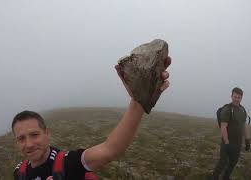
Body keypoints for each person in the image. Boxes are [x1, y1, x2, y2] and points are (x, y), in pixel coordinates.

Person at [12, 57, 171, 180]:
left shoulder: (69, 163)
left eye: (34, 135)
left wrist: (138, 102)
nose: (29, 144)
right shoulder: (20, 172)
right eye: (21, 138)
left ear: (47, 133)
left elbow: (110, 150)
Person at [212, 87, 251, 180]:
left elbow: (244, 125)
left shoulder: (242, 110)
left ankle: (226, 177)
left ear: (241, 98)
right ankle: (214, 177)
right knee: (222, 162)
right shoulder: (227, 109)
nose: (237, 99)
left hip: (237, 143)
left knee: (233, 163)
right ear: (231, 96)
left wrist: (247, 140)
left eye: (239, 97)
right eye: (235, 96)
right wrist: (226, 142)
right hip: (227, 142)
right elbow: (223, 127)